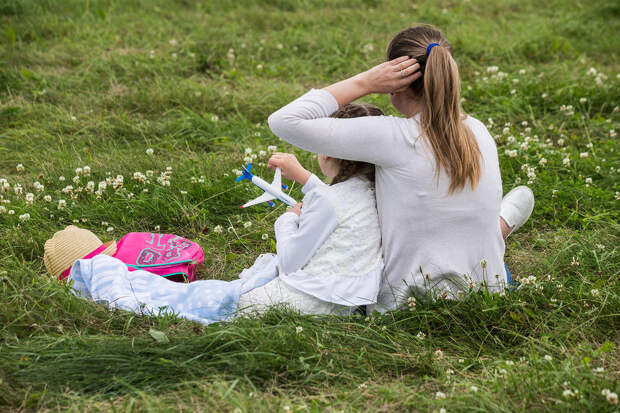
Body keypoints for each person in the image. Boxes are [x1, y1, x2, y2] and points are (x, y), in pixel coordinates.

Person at [267, 25, 535, 312]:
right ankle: (497, 229)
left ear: (395, 79)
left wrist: (364, 82)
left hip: (407, 305)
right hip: (487, 291)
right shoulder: (478, 130)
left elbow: (284, 121)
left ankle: (495, 228)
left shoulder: (394, 136)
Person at [48, 103, 386, 324]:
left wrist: (288, 220)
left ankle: (102, 275)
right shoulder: (372, 194)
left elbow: (292, 261)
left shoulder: (329, 198)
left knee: (188, 300)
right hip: (348, 303)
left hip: (308, 301)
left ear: (329, 152)